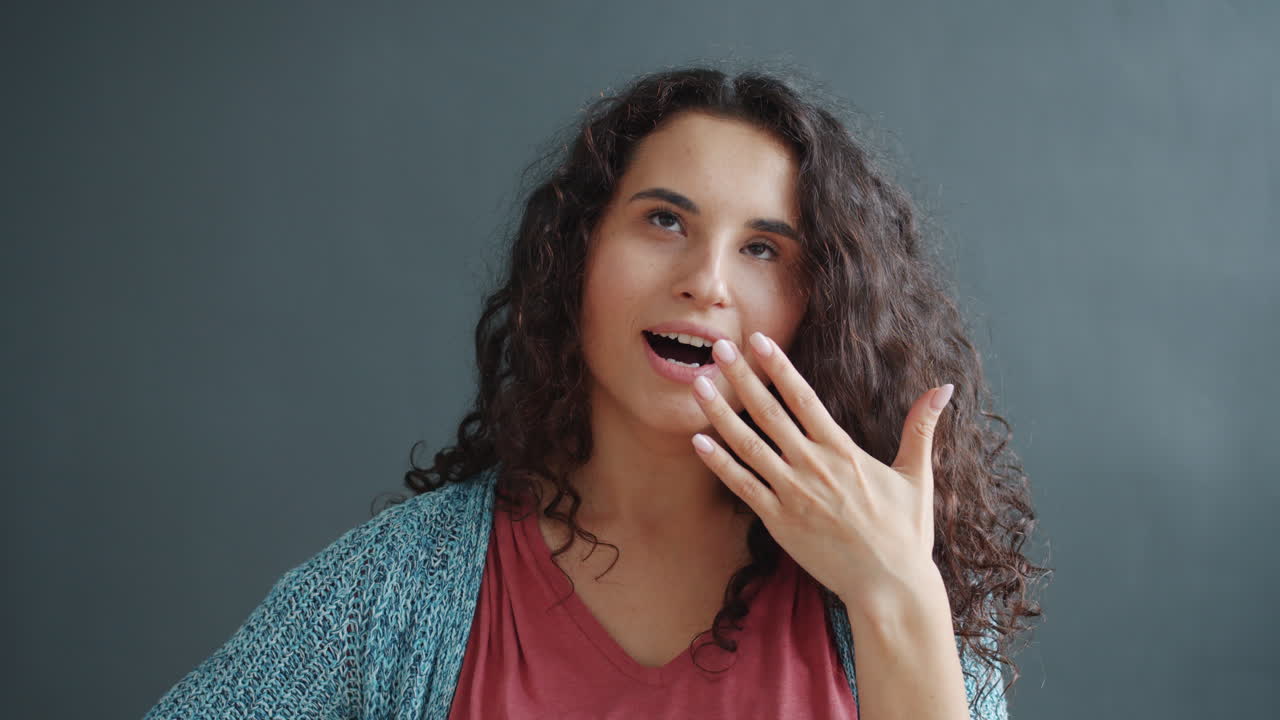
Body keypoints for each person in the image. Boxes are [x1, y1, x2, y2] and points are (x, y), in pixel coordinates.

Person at [143, 63, 1047, 719]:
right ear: (574, 258)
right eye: (664, 220)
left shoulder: (898, 583)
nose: (708, 281)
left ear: (824, 307)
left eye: (764, 248)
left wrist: (899, 594)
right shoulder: (397, 590)